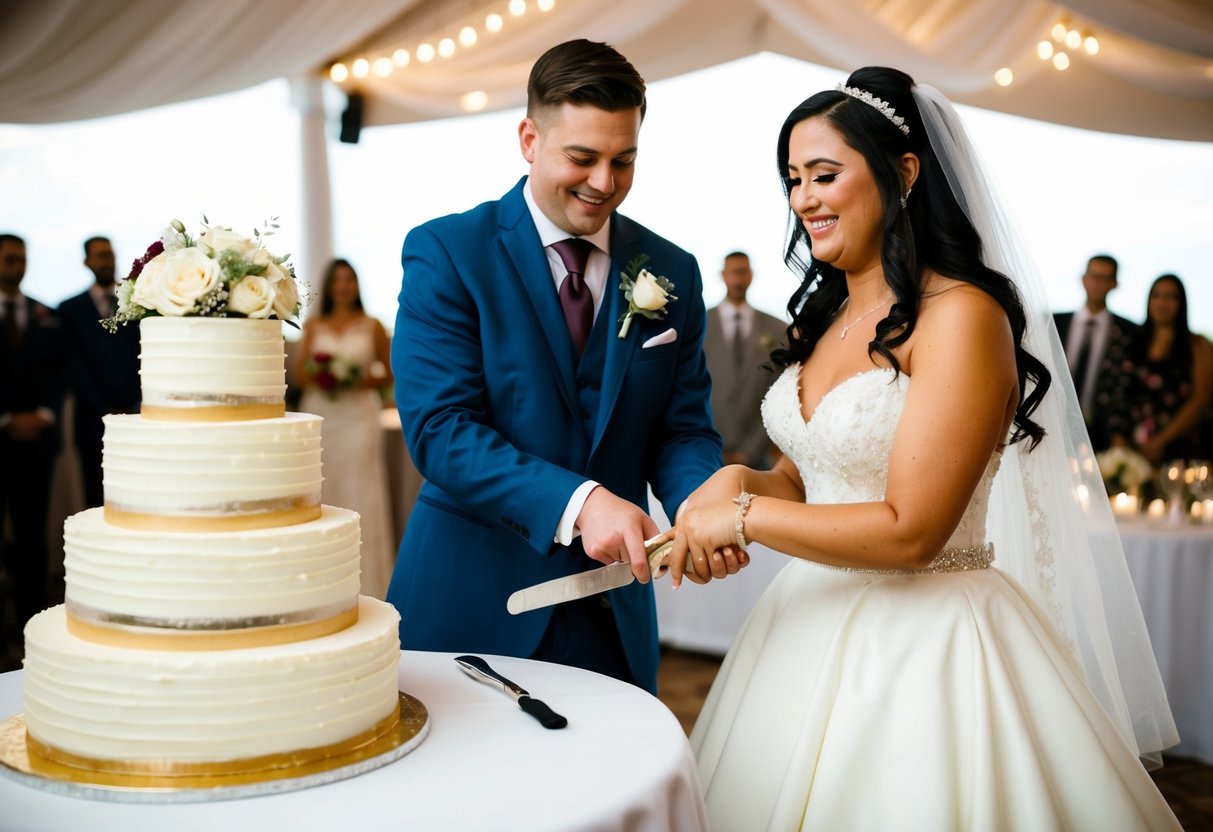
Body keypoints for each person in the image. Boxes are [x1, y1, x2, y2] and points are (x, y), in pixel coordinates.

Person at [663, 68, 1180, 829]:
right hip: (802, 624)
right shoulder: (831, 317)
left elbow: (912, 530)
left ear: (902, 172)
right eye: (792, 179)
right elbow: (807, 482)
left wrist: (739, 519)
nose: (803, 198)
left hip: (929, 650)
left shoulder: (961, 316)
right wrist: (739, 481)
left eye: (824, 175)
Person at [386, 39, 722, 693]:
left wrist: (697, 509)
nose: (604, 182)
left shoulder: (670, 270)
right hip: (470, 607)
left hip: (612, 616)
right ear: (528, 139)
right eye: (582, 158)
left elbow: (682, 429)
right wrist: (582, 503)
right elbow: (442, 431)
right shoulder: (447, 252)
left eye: (623, 160)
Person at [295, 258, 396, 599]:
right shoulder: (314, 325)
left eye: (349, 279)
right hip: (322, 413)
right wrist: (325, 376)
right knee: (325, 488)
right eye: (337, 280)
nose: (343, 286)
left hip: (359, 416)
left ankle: (367, 582)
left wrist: (357, 377)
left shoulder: (372, 325)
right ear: (330, 285)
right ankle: (321, 577)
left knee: (359, 489)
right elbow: (300, 375)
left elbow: (392, 371)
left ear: (356, 285)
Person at [0, 233, 63, 638]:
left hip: (37, 445)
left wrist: (41, 414)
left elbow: (61, 372)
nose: (16, 266)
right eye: (8, 259)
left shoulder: (45, 314)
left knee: (32, 536)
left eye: (21, 259)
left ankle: (29, 626)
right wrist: (7, 419)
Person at [58, 236, 141, 508]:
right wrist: (105, 409)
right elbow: (73, 366)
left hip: (136, 416)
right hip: (91, 422)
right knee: (96, 497)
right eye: (101, 255)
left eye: (110, 254)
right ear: (87, 262)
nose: (108, 260)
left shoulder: (136, 304)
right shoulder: (69, 310)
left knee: (137, 492)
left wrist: (132, 404)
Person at [1111, 273, 1212, 464]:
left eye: (1171, 296)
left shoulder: (1198, 345)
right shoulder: (1131, 343)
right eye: (1157, 295)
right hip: (1134, 452)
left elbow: (1201, 399)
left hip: (1182, 449)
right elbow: (1119, 393)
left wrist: (1160, 441)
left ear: (1181, 303)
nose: (1162, 302)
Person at [703, 251, 786, 468]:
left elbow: (780, 393)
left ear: (751, 276)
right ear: (723, 275)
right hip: (706, 453)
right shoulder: (698, 324)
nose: (738, 278)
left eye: (743, 272)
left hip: (759, 458)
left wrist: (751, 451)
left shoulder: (778, 330)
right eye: (733, 272)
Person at [1053, 254, 1137, 451]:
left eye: (1105, 278)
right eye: (1094, 276)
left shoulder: (1128, 332)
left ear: (1114, 284)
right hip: (1054, 426)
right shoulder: (1054, 324)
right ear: (1084, 279)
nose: (1098, 283)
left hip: (1102, 436)